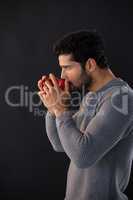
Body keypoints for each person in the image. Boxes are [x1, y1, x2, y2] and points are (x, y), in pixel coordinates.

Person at [37, 30, 133, 200]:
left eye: (67, 67)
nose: (62, 76)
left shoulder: (122, 98)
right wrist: (53, 110)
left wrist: (60, 110)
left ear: (90, 64)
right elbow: (61, 144)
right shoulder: (91, 96)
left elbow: (83, 156)